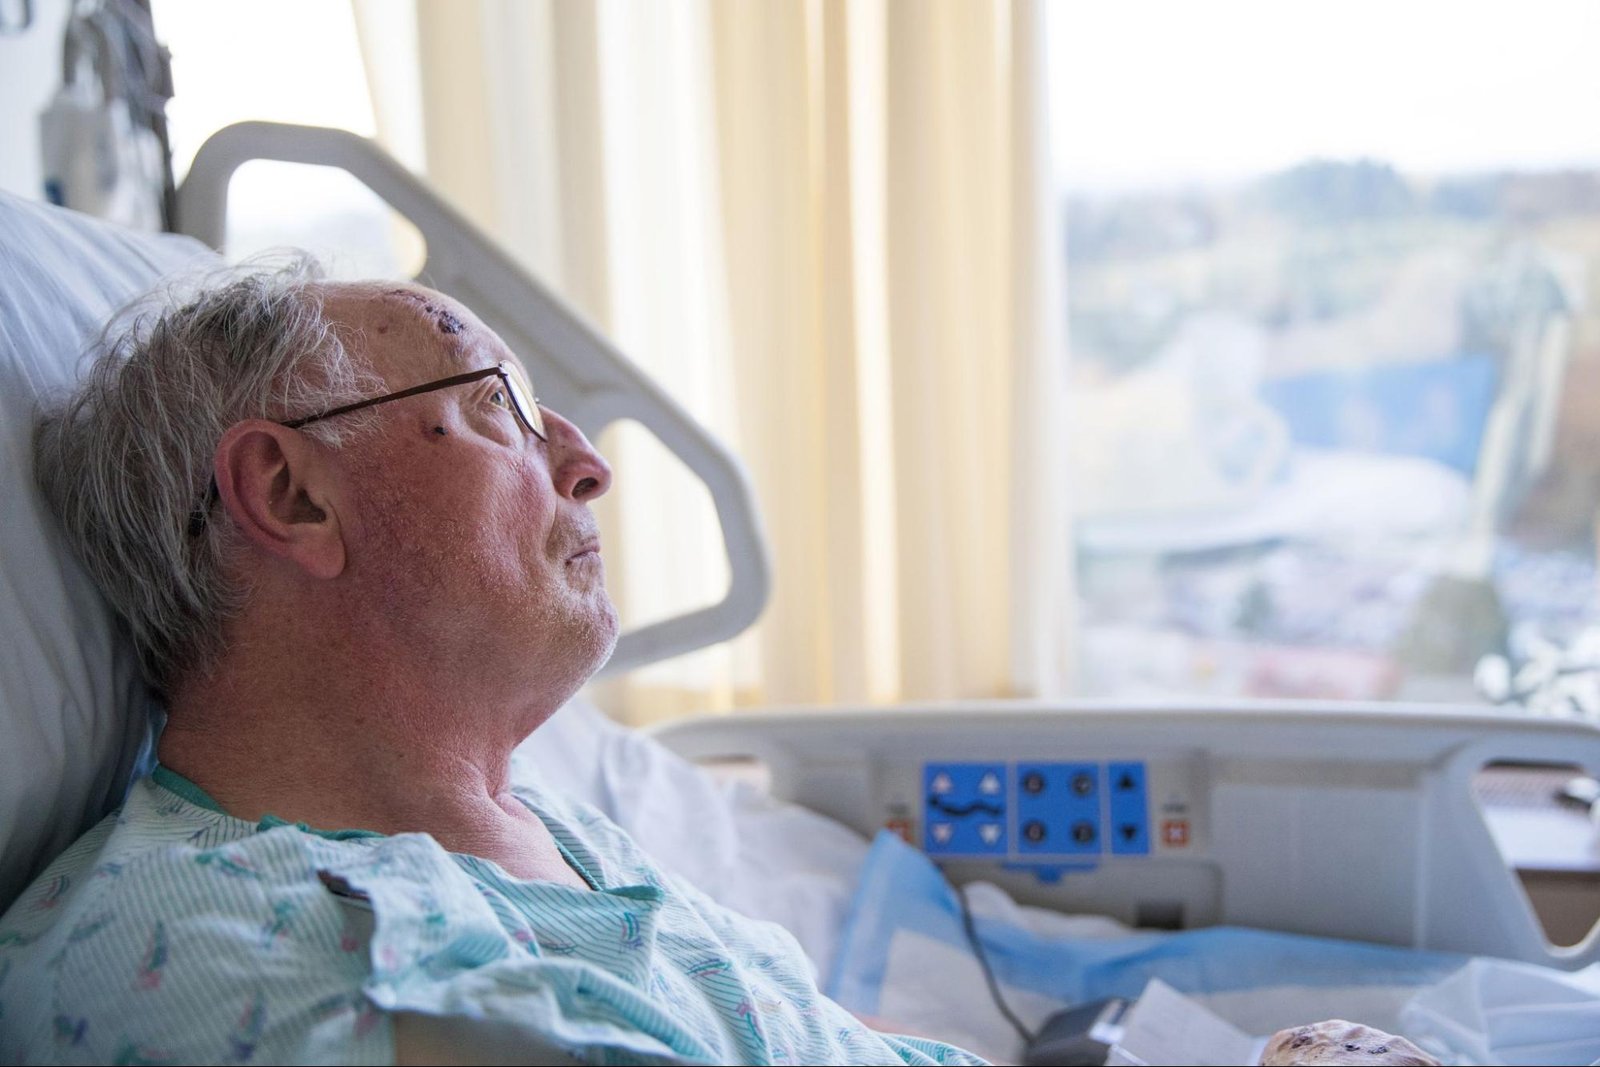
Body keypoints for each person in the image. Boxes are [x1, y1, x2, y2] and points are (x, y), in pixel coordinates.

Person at [0, 259, 984, 1066]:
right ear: (293, 496)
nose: (587, 462)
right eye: (496, 402)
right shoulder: (228, 952)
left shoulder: (557, 834)